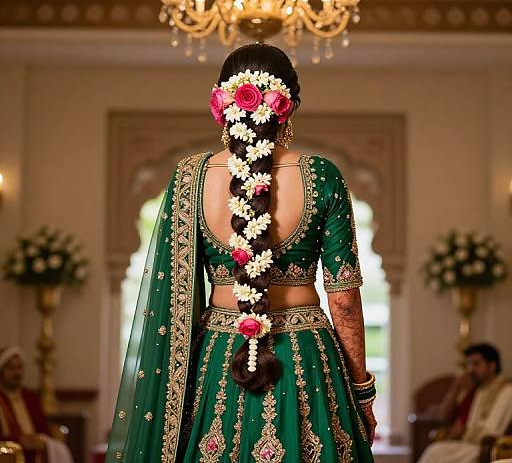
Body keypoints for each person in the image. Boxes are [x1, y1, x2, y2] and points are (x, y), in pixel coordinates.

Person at [106, 43, 377, 462]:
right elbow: (343, 300)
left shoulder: (189, 178)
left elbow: (174, 301)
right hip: (303, 353)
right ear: (288, 105)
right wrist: (362, 391)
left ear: (221, 102)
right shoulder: (322, 176)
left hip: (220, 357)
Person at [418, 343, 512, 463]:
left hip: (487, 447)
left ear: (492, 365)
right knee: (435, 451)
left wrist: (466, 433)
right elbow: (444, 417)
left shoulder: (507, 390)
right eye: (469, 364)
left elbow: (496, 429)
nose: (471, 369)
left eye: (476, 364)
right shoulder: (478, 390)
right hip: (469, 443)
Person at [0, 346, 74, 463]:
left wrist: (41, 439)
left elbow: (43, 428)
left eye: (19, 368)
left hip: (36, 453)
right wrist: (18, 440)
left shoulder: (30, 397)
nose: (17, 373)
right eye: (11, 368)